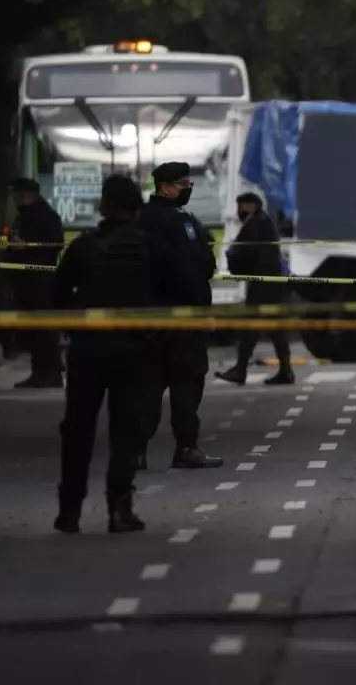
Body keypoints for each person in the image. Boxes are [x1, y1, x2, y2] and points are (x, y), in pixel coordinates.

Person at [51, 175, 199, 533]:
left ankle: (69, 511)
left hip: (87, 350)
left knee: (78, 429)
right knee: (126, 430)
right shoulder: (152, 248)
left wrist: (78, 319)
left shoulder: (83, 247)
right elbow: (187, 290)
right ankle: (120, 508)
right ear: (136, 210)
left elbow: (56, 296)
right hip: (136, 350)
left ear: (102, 207)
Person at [138, 161, 222, 470]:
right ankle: (186, 447)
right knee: (184, 382)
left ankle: (137, 451)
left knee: (149, 384)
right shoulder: (168, 221)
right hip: (179, 317)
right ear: (165, 187)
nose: (188, 188)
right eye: (183, 183)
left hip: (153, 319)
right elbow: (193, 265)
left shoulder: (162, 218)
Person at [215, 193, 294, 386]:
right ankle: (285, 370)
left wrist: (233, 257)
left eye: (242, 206)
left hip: (263, 283)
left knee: (252, 327)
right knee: (275, 329)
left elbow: (244, 250)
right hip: (270, 283)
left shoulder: (256, 223)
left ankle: (241, 369)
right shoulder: (261, 221)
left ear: (252, 206)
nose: (239, 210)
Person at [5, 178, 65, 388]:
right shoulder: (24, 215)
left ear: (27, 194)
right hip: (25, 281)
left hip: (39, 281)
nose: (15, 198)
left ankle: (50, 372)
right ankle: (39, 371)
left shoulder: (45, 216)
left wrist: (27, 248)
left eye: (18, 194)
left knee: (43, 329)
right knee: (32, 329)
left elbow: (55, 243)